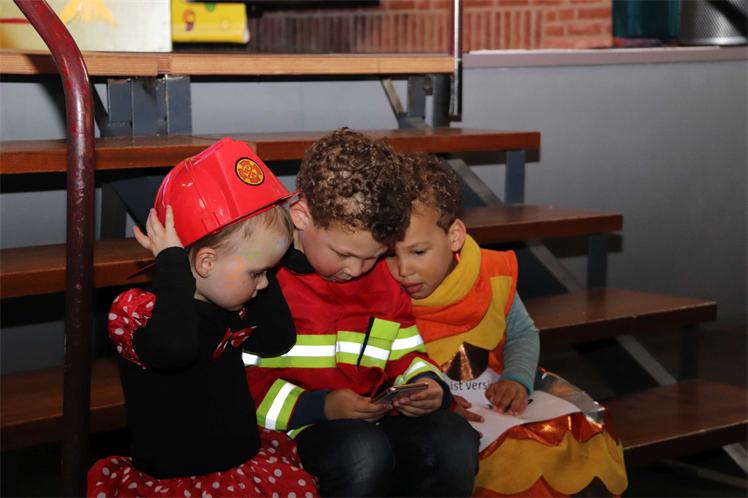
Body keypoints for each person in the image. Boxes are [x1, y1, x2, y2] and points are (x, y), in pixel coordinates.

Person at [244, 128, 480, 497]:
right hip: (291, 430)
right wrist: (319, 406)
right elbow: (239, 385)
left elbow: (406, 351)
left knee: (453, 440)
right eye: (344, 254)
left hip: (374, 421)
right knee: (362, 453)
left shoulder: (381, 278)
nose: (357, 270)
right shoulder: (260, 281)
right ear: (301, 216)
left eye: (374, 256)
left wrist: (428, 385)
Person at [87, 138, 319, 498]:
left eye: (269, 272)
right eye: (257, 273)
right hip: (179, 485)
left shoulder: (232, 304)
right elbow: (176, 348)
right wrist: (173, 266)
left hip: (240, 471)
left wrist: (266, 260)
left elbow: (277, 340)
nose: (264, 284)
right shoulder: (140, 313)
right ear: (206, 263)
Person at [385, 154, 628, 497]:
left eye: (418, 252)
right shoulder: (383, 292)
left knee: (573, 431)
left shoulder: (491, 273)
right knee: (505, 459)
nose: (403, 270)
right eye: (389, 254)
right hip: (441, 412)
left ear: (454, 236)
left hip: (497, 388)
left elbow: (522, 332)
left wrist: (517, 379)